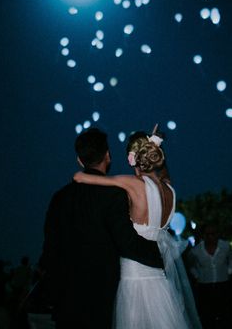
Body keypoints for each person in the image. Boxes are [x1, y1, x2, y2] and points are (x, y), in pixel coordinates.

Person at [73, 127, 201, 329]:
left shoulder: (133, 184)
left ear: (132, 159)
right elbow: (163, 174)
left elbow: (81, 178)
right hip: (160, 282)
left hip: (133, 279)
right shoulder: (170, 190)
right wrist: (154, 145)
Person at [39, 127, 164, 329]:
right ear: (107, 156)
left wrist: (53, 291)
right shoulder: (113, 195)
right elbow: (126, 243)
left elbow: (49, 248)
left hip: (66, 298)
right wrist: (161, 255)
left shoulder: (59, 198)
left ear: (79, 160)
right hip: (101, 295)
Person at [186, 223, 232, 329]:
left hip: (223, 285)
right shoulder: (196, 251)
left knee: (225, 315)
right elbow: (191, 265)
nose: (210, 237)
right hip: (205, 287)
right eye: (207, 234)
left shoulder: (225, 246)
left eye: (213, 233)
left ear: (217, 234)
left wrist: (229, 271)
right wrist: (197, 276)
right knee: (207, 317)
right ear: (203, 235)